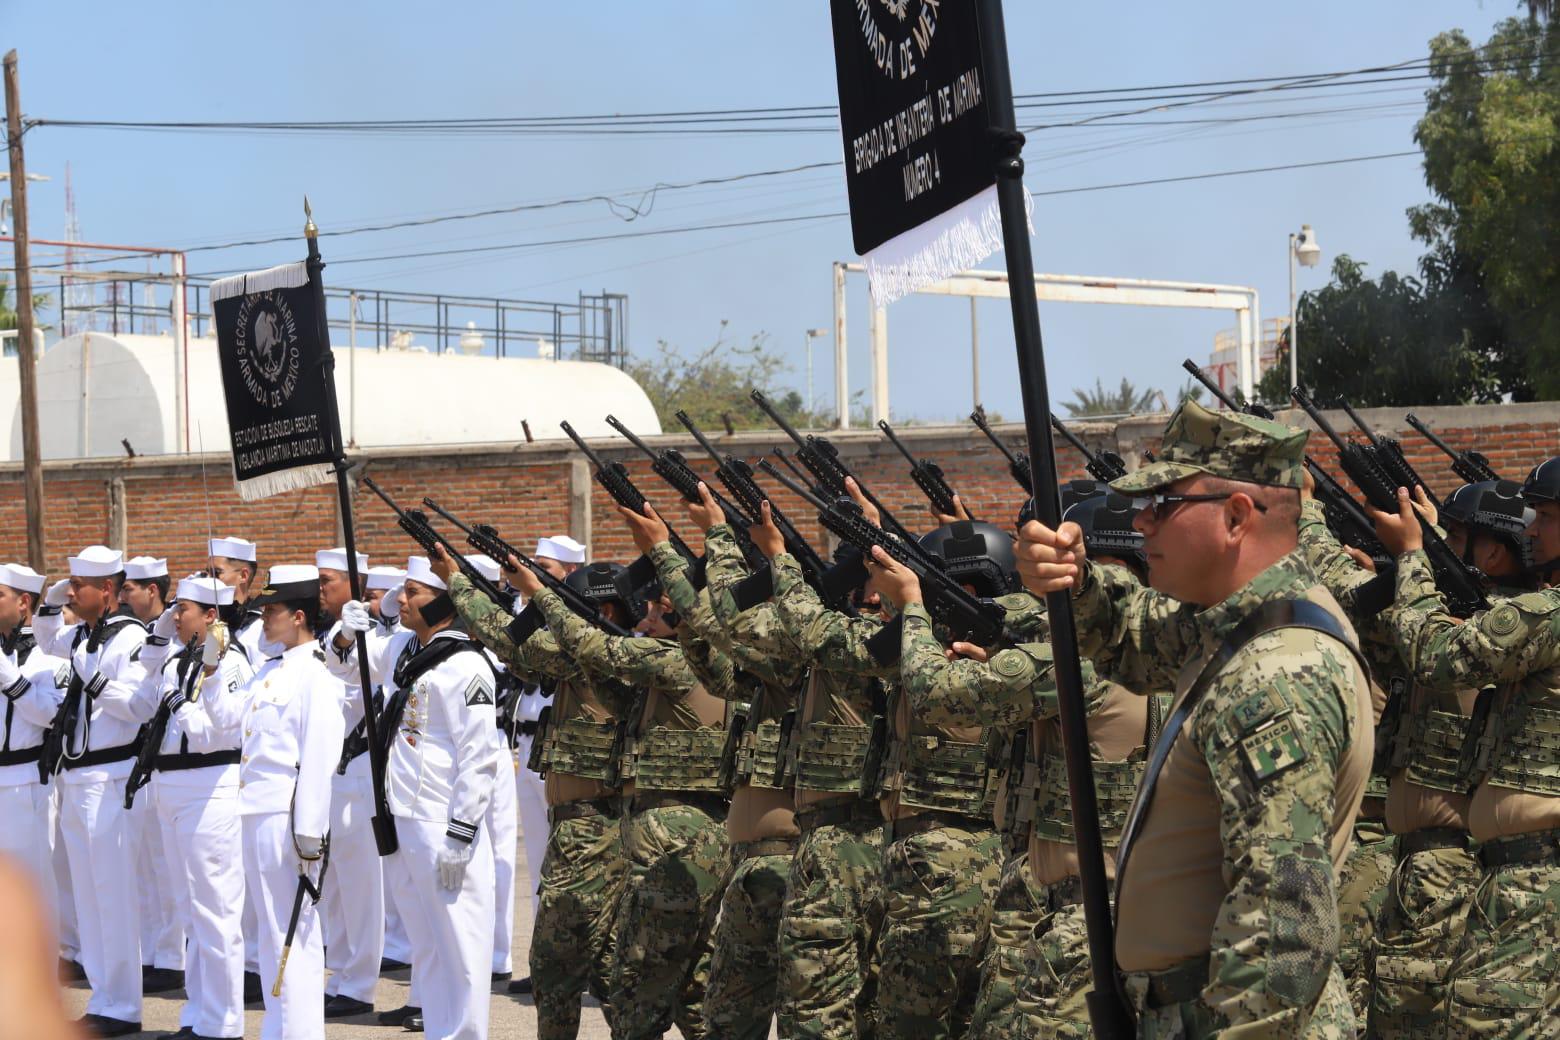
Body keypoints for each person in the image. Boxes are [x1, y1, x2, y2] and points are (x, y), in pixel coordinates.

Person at [1014, 400, 1375, 1037]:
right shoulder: (1247, 622)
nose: (1141, 523)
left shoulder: (1276, 675)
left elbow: (1282, 926)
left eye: (1164, 504)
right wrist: (1072, 580)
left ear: (1236, 517)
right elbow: (1135, 636)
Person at [1374, 482, 1560, 1037]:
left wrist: (1413, 555)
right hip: (1516, 873)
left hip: (1536, 879)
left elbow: (1436, 656)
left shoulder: (1548, 617)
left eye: (1546, 516)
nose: (1531, 528)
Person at [524, 554, 730, 1040]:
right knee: (690, 981)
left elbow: (593, 649)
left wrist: (537, 592)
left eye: (657, 612)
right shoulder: (697, 666)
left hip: (672, 844)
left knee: (640, 986)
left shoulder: (675, 664)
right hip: (686, 839)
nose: (645, 620)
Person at [439, 545, 630, 1040]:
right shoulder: (594, 656)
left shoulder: (598, 658)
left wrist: (459, 581)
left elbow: (505, 639)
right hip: (583, 821)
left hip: (595, 827)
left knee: (565, 962)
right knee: (592, 962)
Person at [336, 556, 501, 1040]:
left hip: (442, 821)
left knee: (460, 943)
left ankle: (465, 1034)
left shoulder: (467, 664)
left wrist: (462, 833)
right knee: (427, 940)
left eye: (413, 593)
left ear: (446, 603)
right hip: (403, 815)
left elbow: (480, 759)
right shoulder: (407, 649)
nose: (402, 601)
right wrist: (348, 633)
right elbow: (345, 666)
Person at [195, 563, 344, 1040]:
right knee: (269, 933)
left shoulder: (316, 676)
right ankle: (279, 1031)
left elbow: (318, 760)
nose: (264, 620)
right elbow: (223, 721)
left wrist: (308, 836)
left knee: (295, 933)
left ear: (298, 616)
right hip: (254, 810)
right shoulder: (269, 670)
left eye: (273, 611)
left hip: (286, 818)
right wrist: (213, 663)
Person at [33, 546, 150, 1039]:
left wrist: (95, 678)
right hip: (76, 776)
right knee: (87, 896)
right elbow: (45, 636)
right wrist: (52, 597)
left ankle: (123, 1005)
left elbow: (138, 706)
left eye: (78, 584)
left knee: (112, 895)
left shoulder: (131, 638)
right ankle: (104, 997)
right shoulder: (83, 634)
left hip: (110, 776)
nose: (71, 591)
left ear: (105, 590)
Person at [133, 574, 254, 1040]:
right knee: (188, 911)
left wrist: (180, 703)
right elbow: (147, 680)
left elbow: (216, 732)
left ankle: (224, 1023)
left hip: (210, 786)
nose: (175, 614)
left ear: (210, 616)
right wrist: (162, 631)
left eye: (182, 608)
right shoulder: (178, 660)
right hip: (173, 786)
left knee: (216, 912)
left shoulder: (231, 660)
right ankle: (199, 1014)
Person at [504, 534, 585, 998]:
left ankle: (581, 962)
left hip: (563, 749)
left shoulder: (571, 616)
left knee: (569, 865)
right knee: (537, 864)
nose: (532, 572)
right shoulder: (525, 609)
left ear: (570, 573)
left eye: (545, 567)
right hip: (528, 750)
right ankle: (546, 961)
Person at [316, 546, 385, 1020]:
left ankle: (359, 984)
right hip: (330, 772)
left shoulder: (374, 637)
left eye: (329, 580)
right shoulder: (332, 635)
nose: (322, 588)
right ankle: (338, 974)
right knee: (334, 886)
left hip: (360, 765)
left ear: (355, 585)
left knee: (361, 886)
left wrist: (352, 634)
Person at [122, 554, 186, 994]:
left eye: (132, 587)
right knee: (145, 865)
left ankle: (171, 956)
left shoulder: (175, 640)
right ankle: (153, 951)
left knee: (165, 869)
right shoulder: (144, 638)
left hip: (171, 756)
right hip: (144, 761)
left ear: (153, 590)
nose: (125, 593)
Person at [0, 563, 68, 948]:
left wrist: (9, 679)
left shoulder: (50, 662)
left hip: (27, 779)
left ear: (24, 603)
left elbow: (48, 715)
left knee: (33, 886)